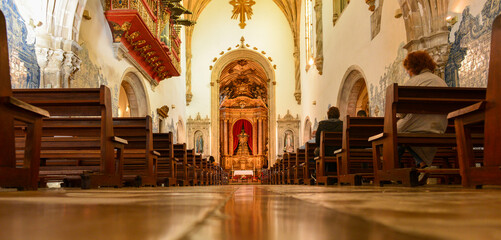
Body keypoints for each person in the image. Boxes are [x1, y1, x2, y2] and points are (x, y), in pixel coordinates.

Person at [398, 50, 448, 184]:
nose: (408, 72)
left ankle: (393, 173)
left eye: (407, 69)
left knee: (393, 134)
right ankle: (422, 164)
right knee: (402, 133)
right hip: (439, 127)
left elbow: (401, 113)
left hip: (418, 127)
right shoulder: (441, 82)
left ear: (412, 67)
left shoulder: (412, 82)